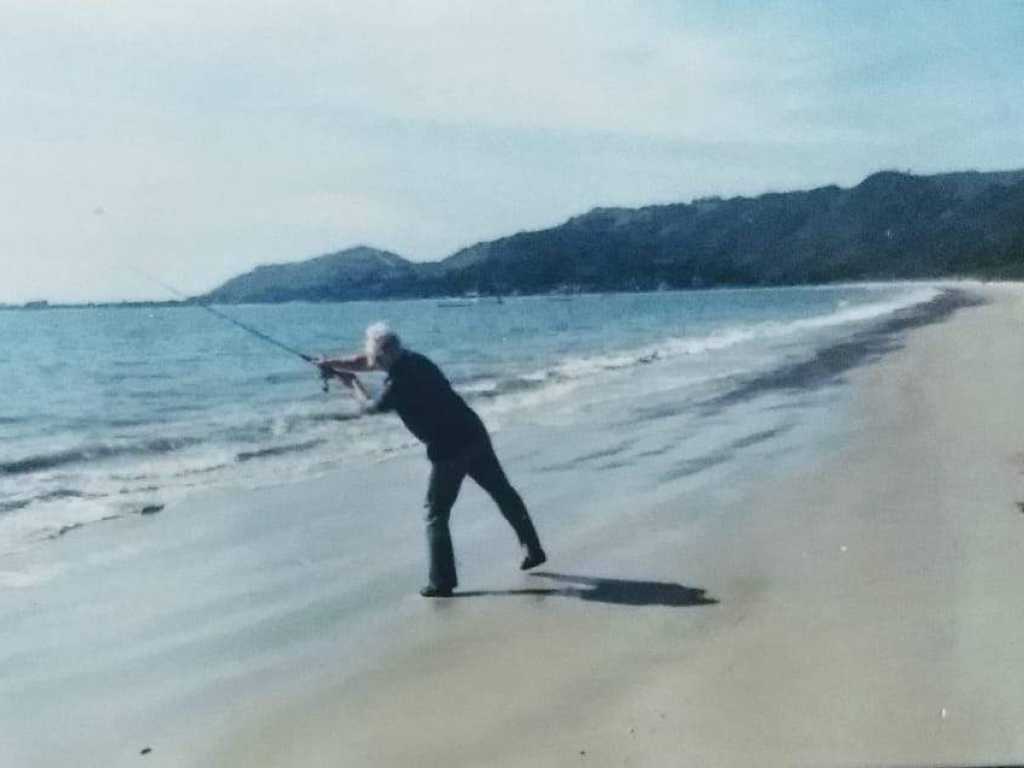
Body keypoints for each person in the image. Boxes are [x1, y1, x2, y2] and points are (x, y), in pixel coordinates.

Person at [317, 323, 546, 597]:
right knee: (502, 492)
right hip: (473, 432)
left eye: (377, 359)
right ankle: (533, 548)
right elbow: (366, 361)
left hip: (448, 449)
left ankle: (442, 582)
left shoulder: (395, 385)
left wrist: (349, 382)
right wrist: (330, 363)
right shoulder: (416, 359)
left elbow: (370, 407)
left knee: (436, 513)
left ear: (385, 356)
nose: (374, 363)